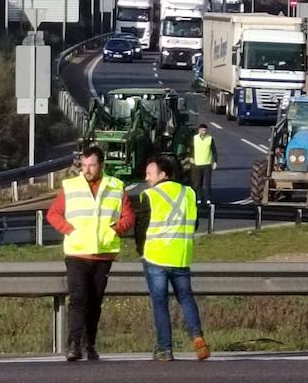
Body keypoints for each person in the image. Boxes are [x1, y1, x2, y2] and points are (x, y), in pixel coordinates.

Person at [47, 145, 134, 362]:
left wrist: (117, 229)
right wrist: (70, 230)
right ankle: (74, 345)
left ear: (101, 166)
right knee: (78, 299)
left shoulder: (115, 186)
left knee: (95, 302)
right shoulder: (71, 186)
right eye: (84, 165)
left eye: (91, 165)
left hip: (103, 253)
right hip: (77, 253)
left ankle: (89, 344)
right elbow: (54, 214)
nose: (87, 169)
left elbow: (128, 216)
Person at [136, 154, 209, 362]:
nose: (146, 177)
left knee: (160, 303)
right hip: (181, 256)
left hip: (156, 257)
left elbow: (140, 228)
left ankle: (165, 349)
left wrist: (142, 251)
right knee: (186, 298)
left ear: (162, 174)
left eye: (150, 173)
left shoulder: (149, 195)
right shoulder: (188, 193)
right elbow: (194, 224)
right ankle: (197, 336)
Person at [191, 122, 217, 206]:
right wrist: (191, 157)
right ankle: (198, 198)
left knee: (207, 183)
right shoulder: (194, 138)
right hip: (197, 163)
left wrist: (215, 162)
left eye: (205, 130)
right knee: (198, 183)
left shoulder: (210, 139)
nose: (203, 132)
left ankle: (208, 199)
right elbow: (191, 148)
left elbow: (214, 151)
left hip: (207, 164)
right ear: (199, 130)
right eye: (202, 130)